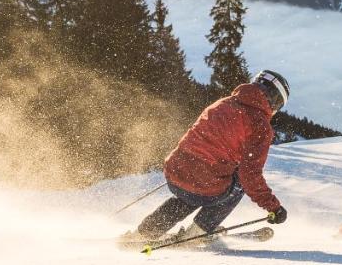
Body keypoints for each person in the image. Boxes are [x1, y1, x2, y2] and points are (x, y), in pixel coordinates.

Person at [122, 70, 290, 247]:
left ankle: (144, 232)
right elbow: (250, 176)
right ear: (274, 99)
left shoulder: (223, 103)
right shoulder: (260, 125)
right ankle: (198, 233)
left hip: (176, 172)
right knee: (236, 184)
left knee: (189, 195)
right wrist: (274, 207)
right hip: (205, 184)